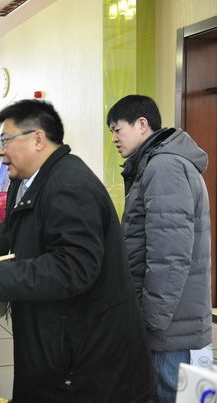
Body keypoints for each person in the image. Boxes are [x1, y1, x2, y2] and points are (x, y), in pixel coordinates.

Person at [0, 99, 157, 402]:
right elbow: (18, 222)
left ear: (37, 139)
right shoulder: (30, 179)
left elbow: (73, 267)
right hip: (56, 338)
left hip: (84, 356)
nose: (0, 152)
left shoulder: (68, 186)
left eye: (5, 141)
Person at [107, 94, 212, 403]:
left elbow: (170, 256)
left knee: (166, 393)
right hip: (169, 317)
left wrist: (149, 321)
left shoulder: (164, 167)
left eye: (117, 129)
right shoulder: (155, 164)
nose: (114, 139)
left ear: (142, 124)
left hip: (167, 324)